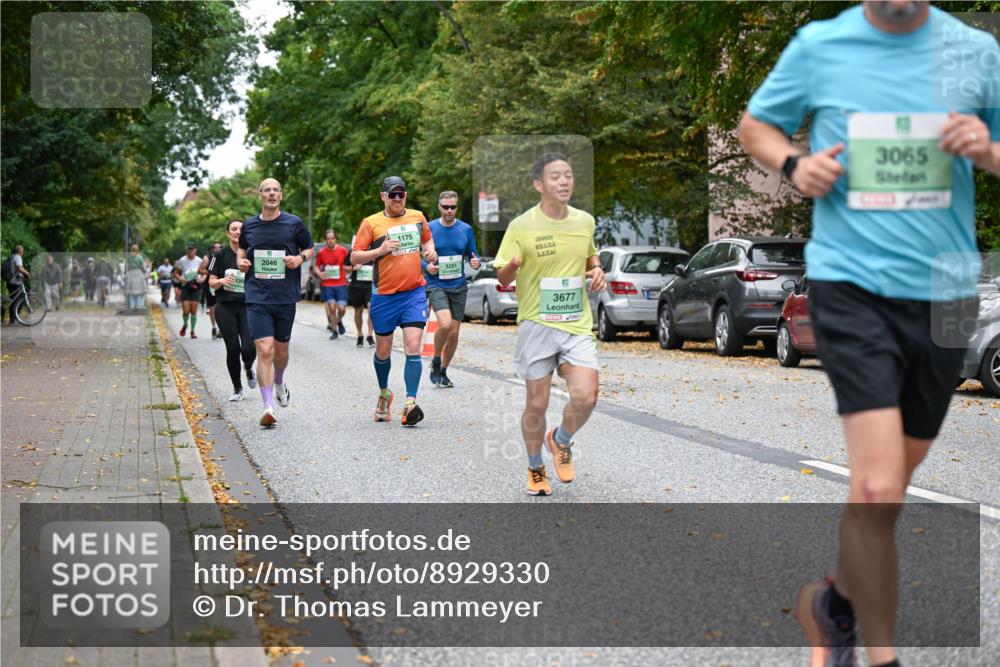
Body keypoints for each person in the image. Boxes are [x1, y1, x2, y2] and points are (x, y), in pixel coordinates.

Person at [738, 3, 999, 666]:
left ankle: (836, 604)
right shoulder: (821, 44)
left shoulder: (974, 52)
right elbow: (755, 126)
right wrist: (796, 166)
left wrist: (985, 148)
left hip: (947, 289)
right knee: (879, 485)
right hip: (850, 284)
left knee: (886, 487)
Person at [493, 152, 606, 496]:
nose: (564, 181)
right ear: (539, 185)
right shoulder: (521, 225)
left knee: (586, 396)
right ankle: (535, 467)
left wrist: (597, 268)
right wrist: (512, 265)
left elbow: (590, 254)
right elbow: (501, 274)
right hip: (536, 324)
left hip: (575, 323)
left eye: (568, 175)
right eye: (555, 176)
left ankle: (560, 440)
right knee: (537, 404)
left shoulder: (584, 221)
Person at [350, 176, 437, 426]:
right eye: (392, 194)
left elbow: (427, 240)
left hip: (413, 293)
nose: (397, 198)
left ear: (405, 196)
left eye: (401, 194)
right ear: (383, 196)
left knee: (413, 346)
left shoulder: (418, 217)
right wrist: (379, 251)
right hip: (384, 296)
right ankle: (385, 393)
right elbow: (355, 257)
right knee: (383, 350)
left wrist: (430, 250)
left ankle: (410, 403)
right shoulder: (371, 223)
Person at [237, 178, 314, 427]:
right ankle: (268, 406)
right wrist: (241, 263)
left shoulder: (294, 224)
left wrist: (300, 258)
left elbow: (310, 247)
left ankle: (279, 380)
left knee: (280, 352)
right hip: (257, 296)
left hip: (284, 297)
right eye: (267, 190)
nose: (271, 193)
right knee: (265, 350)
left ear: (281, 195)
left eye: (275, 190)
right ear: (260, 195)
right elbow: (242, 250)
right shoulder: (249, 226)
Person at [423, 190, 481, 388]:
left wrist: (476, 262)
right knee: (445, 324)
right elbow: (415, 254)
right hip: (436, 284)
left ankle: (444, 371)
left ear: (457, 207)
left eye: (453, 207)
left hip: (458, 286)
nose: (449, 210)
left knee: (454, 333)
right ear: (439, 207)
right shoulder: (429, 228)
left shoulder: (465, 229)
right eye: (445, 207)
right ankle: (436, 359)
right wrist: (426, 267)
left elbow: (474, 254)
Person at [208, 220, 258, 401]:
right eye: (234, 229)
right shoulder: (219, 256)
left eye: (241, 229)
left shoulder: (252, 253)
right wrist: (220, 282)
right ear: (228, 233)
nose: (237, 232)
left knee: (248, 346)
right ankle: (237, 389)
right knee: (233, 348)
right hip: (225, 306)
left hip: (247, 306)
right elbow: (211, 281)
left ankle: (249, 367)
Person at [313, 229, 350, 340]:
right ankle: (334, 331)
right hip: (328, 284)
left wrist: (350, 269)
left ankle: (339, 321)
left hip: (341, 284)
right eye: (328, 239)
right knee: (332, 308)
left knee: (342, 308)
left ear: (335, 239)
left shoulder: (343, 250)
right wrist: (320, 274)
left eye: (332, 238)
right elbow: (316, 266)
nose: (330, 241)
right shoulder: (321, 252)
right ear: (326, 240)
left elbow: (349, 264)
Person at [347, 248, 376, 348]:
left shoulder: (375, 249)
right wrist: (353, 268)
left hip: (370, 286)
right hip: (356, 286)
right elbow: (343, 267)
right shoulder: (354, 251)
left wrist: (375, 270)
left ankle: (370, 335)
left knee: (371, 309)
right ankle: (359, 335)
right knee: (358, 312)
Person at [174, 243, 204, 337]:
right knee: (186, 311)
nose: (190, 251)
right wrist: (181, 279)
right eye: (188, 249)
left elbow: (205, 273)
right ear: (186, 250)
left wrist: (202, 279)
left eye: (192, 249)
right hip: (185, 286)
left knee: (194, 310)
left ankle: (192, 331)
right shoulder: (182, 260)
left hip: (196, 287)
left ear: (196, 250)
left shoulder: (199, 260)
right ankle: (185, 324)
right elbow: (176, 273)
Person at [199, 242, 223, 338]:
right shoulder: (209, 258)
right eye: (215, 247)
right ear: (212, 248)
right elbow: (200, 270)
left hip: (222, 284)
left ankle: (221, 329)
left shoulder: (225, 256)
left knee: (221, 308)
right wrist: (211, 272)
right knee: (213, 309)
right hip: (210, 285)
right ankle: (214, 327)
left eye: (219, 247)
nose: (217, 248)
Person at [3, 245, 31, 324]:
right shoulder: (18, 257)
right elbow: (20, 268)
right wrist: (28, 274)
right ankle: (14, 318)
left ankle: (12, 319)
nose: (23, 252)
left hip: (10, 282)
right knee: (20, 301)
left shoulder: (12, 257)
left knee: (13, 301)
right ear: (19, 251)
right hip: (15, 282)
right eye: (22, 251)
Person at [125, 244, 147, 311]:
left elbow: (127, 267)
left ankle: (132, 306)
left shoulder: (129, 257)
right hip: (138, 273)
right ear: (138, 250)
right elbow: (143, 267)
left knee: (131, 291)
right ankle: (139, 305)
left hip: (131, 274)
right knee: (140, 291)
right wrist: (145, 272)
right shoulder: (140, 257)